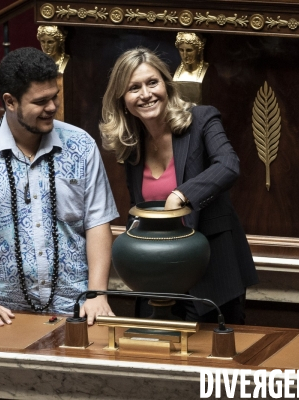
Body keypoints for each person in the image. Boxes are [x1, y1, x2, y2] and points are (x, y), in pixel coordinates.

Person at [0, 47, 118, 326]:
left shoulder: (81, 146)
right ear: (10, 102)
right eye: (41, 101)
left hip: (78, 311)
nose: (52, 107)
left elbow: (97, 222)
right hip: (1, 315)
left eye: (54, 97)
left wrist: (97, 295)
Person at [99, 47, 258, 324]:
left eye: (152, 82)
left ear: (166, 85)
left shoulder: (202, 119)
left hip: (212, 272)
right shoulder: (131, 143)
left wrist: (181, 194)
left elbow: (228, 165)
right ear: (123, 100)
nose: (146, 94)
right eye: (134, 88)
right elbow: (137, 211)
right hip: (156, 277)